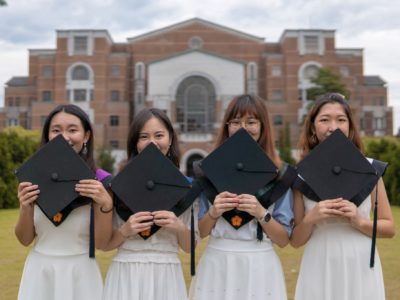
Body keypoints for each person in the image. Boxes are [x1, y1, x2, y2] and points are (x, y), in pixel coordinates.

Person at [291, 93, 396, 300]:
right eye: (324, 120)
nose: (333, 126)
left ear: (350, 126)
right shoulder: (302, 174)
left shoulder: (369, 169)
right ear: (313, 127)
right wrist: (313, 217)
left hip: (360, 261)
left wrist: (359, 220)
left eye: (341, 119)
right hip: (319, 261)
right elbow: (295, 241)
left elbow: (389, 228)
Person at [189, 94, 294, 300]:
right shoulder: (209, 171)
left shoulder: (279, 174)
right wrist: (213, 212)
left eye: (251, 122)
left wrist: (260, 212)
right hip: (217, 262)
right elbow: (198, 234)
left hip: (259, 264)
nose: (243, 128)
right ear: (227, 126)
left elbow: (283, 240)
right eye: (236, 122)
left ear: (263, 126)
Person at [96, 108, 198, 300]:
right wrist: (125, 230)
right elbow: (103, 244)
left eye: (159, 135)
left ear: (170, 140)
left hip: (167, 275)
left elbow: (189, 247)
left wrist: (178, 227)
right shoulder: (117, 186)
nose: (152, 142)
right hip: (126, 272)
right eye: (144, 136)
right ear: (135, 143)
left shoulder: (185, 188)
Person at [15, 104, 112, 300]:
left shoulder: (99, 181)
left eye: (73, 130)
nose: (64, 137)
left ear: (86, 136)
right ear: (48, 136)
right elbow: (25, 239)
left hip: (81, 273)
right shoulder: (35, 178)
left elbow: (102, 243)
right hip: (40, 271)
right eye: (56, 130)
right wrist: (25, 207)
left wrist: (105, 204)